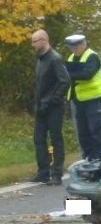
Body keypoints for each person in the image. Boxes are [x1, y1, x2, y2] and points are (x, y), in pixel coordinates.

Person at [29, 30, 70, 184]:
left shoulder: (55, 58)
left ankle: (57, 174)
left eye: (35, 41)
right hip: (41, 107)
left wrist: (52, 99)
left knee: (56, 139)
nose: (33, 45)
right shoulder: (40, 59)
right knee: (39, 139)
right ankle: (43, 172)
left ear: (44, 40)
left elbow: (64, 81)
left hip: (54, 107)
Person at [65, 34, 101, 162]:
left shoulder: (92, 56)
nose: (74, 50)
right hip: (78, 100)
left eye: (76, 46)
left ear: (83, 45)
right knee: (83, 132)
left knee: (96, 130)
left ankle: (100, 158)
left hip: (93, 99)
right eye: (72, 47)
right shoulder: (71, 58)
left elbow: (87, 74)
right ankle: (88, 157)